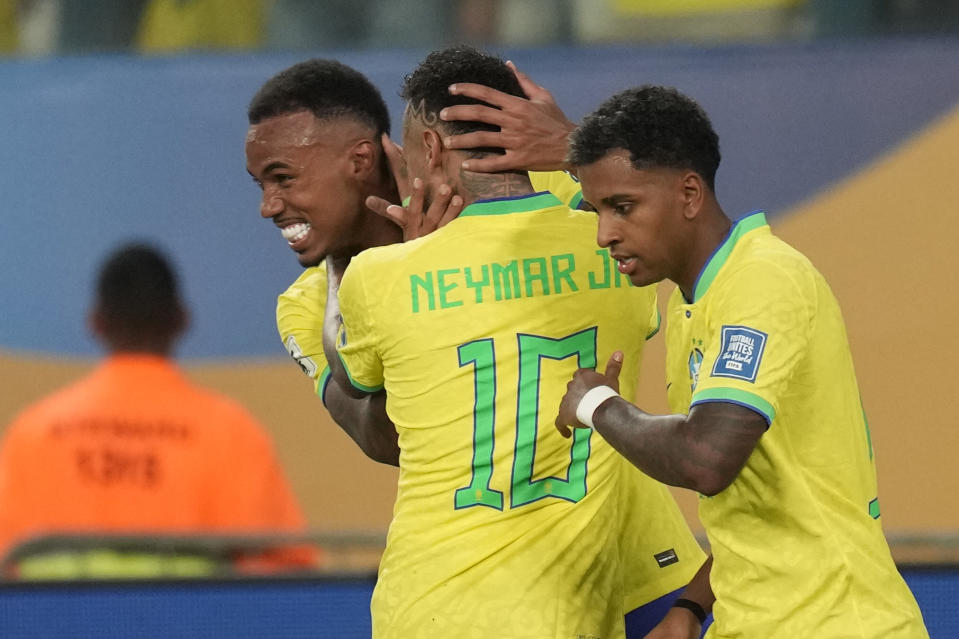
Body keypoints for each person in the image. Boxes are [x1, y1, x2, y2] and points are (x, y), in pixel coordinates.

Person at [327, 46, 706, 639]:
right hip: (567, 614)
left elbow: (357, 388)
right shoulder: (618, 257)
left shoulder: (379, 277)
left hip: (426, 613)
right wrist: (582, 148)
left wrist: (370, 265)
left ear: (430, 149)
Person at [555, 85, 929, 638]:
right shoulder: (695, 303)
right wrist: (691, 607)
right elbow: (753, 502)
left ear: (688, 194)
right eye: (597, 210)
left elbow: (706, 459)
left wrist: (596, 404)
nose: (605, 233)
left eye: (622, 207)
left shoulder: (762, 280)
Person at [0, 243, 316, 576]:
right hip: (196, 627)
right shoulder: (230, 432)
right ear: (181, 319)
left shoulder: (34, 432)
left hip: (52, 627)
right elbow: (283, 576)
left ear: (96, 322)